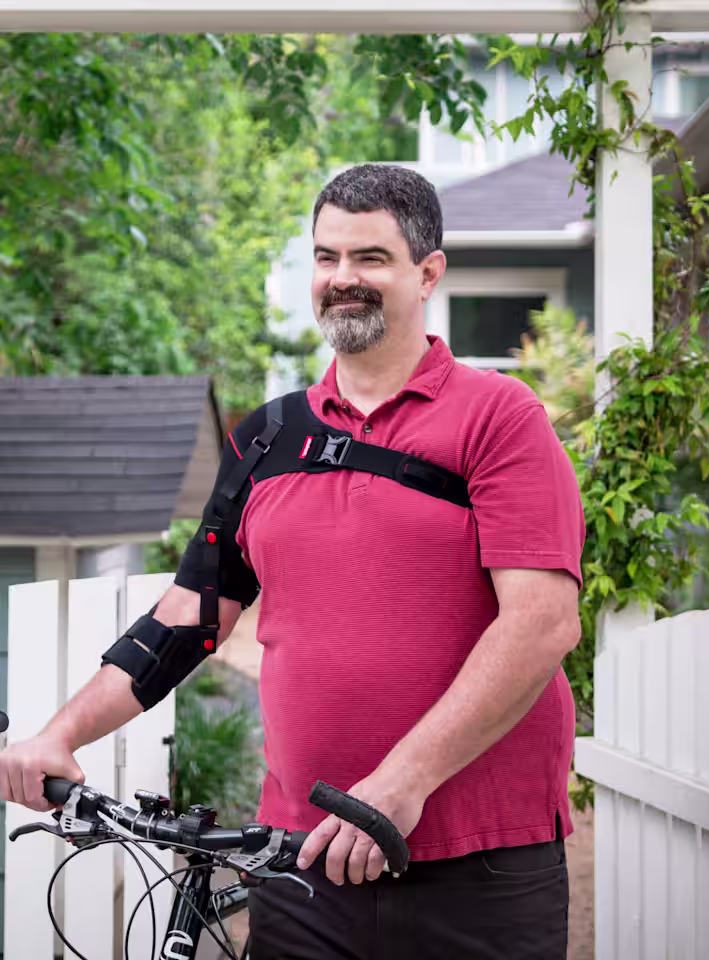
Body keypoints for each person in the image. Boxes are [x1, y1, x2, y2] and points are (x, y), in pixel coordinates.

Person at [0, 164, 584, 959]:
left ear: (428, 273)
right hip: (300, 861)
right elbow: (189, 618)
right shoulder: (268, 438)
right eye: (326, 256)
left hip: (477, 864)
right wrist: (59, 734)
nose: (343, 278)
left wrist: (399, 784)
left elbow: (542, 624)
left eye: (370, 258)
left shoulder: (499, 418)